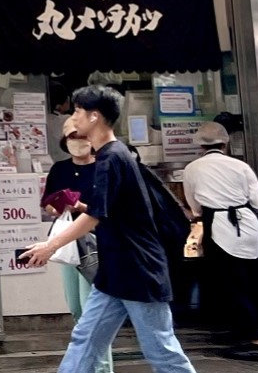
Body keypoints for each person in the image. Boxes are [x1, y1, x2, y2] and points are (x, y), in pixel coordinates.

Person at [21, 86, 197, 373]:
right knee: (85, 339)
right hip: (115, 271)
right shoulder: (114, 155)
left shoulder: (111, 158)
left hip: (138, 270)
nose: (73, 117)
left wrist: (50, 246)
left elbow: (94, 215)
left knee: (161, 350)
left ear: (94, 117)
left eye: (78, 111)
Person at [181, 121, 258, 360]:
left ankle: (253, 340)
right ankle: (255, 335)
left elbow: (195, 207)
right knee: (252, 282)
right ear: (225, 143)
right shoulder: (241, 166)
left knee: (232, 285)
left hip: (219, 226)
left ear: (200, 146)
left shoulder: (192, 169)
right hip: (248, 225)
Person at [40, 118, 111, 373]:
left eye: (81, 136)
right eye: (72, 138)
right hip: (68, 242)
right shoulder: (60, 169)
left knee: (92, 309)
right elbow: (48, 204)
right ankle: (89, 366)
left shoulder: (104, 167)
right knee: (76, 307)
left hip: (96, 242)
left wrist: (80, 206)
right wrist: (56, 207)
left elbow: (106, 208)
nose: (77, 142)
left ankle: (101, 369)